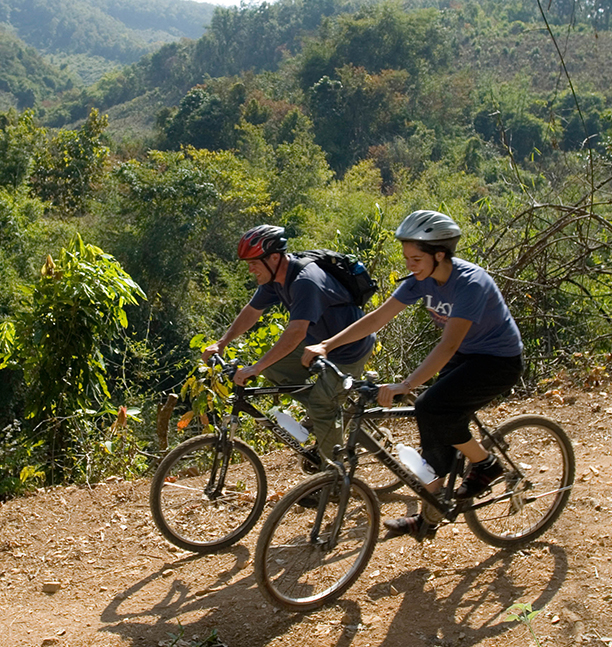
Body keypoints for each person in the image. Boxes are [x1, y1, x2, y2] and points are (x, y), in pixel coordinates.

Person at [303, 210, 523, 539]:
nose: (410, 264)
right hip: (466, 356)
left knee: (431, 407)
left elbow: (447, 346)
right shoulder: (421, 280)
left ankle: (486, 464)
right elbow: (377, 319)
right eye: (406, 257)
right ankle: (428, 518)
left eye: (416, 258)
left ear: (440, 254)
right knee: (434, 430)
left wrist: (406, 384)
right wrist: (327, 345)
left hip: (498, 360)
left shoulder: (470, 284)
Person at [201, 225, 376, 465]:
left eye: (254, 263)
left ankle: (334, 476)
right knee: (276, 369)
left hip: (348, 348)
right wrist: (222, 343)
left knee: (322, 407)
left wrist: (255, 368)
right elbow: (252, 311)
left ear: (274, 257)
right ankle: (326, 412)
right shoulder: (276, 278)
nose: (250, 269)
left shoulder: (305, 281)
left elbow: (295, 333)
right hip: (316, 343)